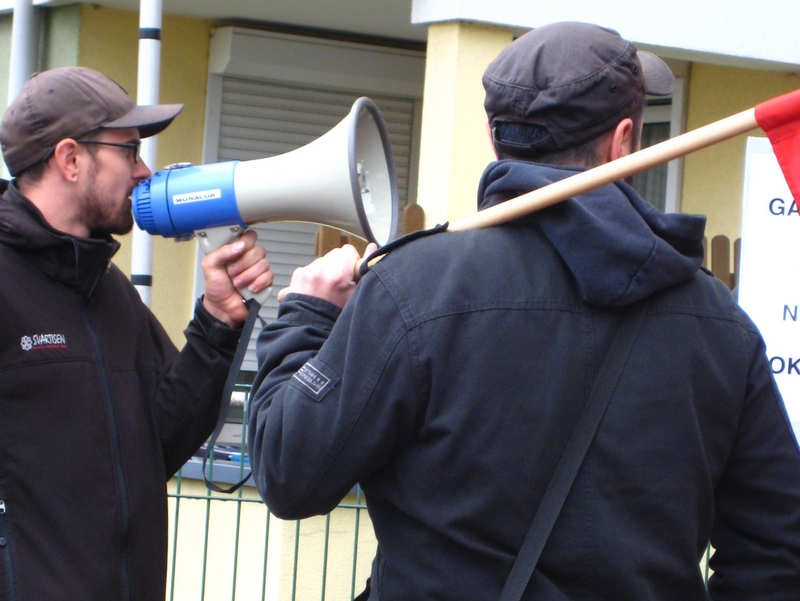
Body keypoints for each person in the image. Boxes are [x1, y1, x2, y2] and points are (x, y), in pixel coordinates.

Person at [247, 22, 800, 600]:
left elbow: (289, 473)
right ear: (624, 140)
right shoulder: (720, 325)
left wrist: (307, 318)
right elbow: (777, 551)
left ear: (494, 137)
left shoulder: (412, 289)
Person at [0, 67, 273, 601]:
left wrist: (218, 322)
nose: (145, 170)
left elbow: (160, 442)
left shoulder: (110, 291)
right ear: (71, 159)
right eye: (128, 150)